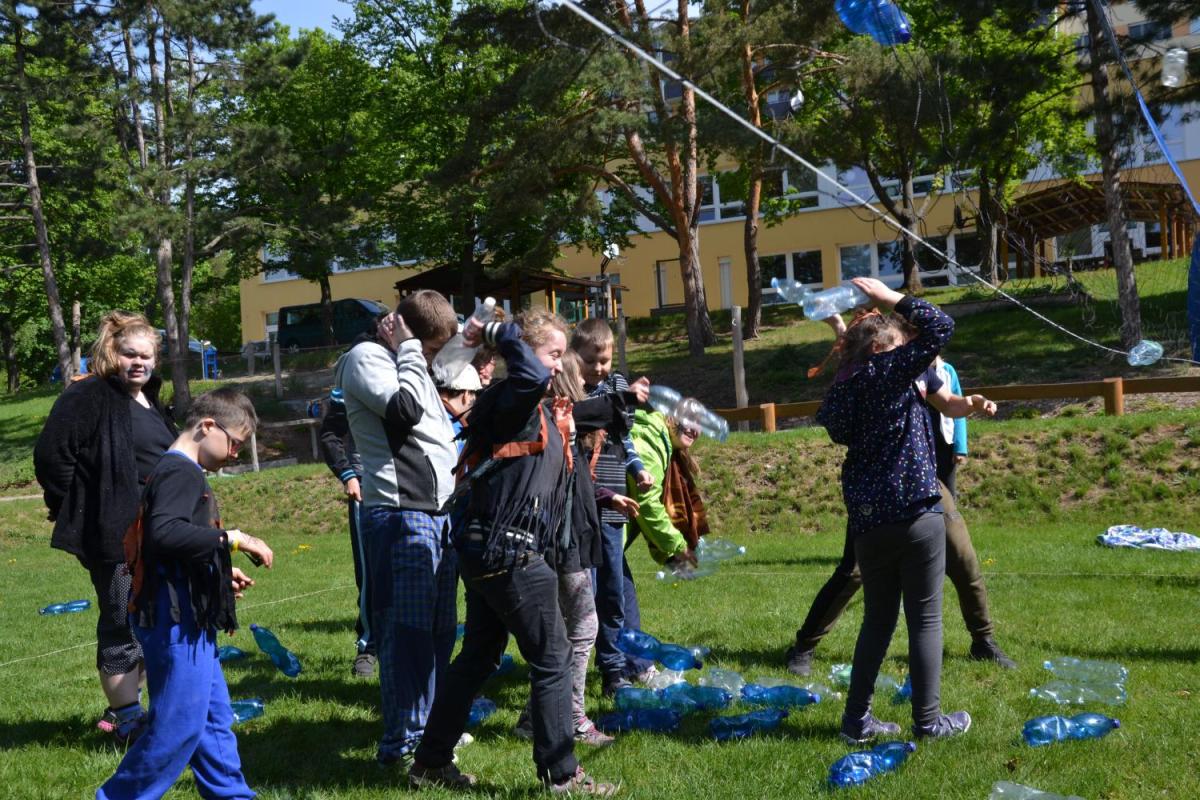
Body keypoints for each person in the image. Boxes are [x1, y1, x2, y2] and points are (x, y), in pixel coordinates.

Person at [410, 309, 616, 795]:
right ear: (525, 352)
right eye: (552, 353)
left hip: (490, 549)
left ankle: (431, 763)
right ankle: (561, 775)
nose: (559, 364)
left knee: (479, 657)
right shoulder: (515, 398)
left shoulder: (528, 405)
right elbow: (527, 374)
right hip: (508, 552)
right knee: (553, 656)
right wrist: (499, 333)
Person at [784, 334, 1014, 679]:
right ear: (875, 347)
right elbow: (836, 423)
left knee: (963, 558)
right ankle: (803, 646)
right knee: (853, 571)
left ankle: (983, 640)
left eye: (904, 341)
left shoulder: (919, 369)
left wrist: (972, 403)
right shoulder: (860, 376)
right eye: (895, 342)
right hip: (875, 488)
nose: (903, 346)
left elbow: (949, 404)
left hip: (924, 482)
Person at [97, 388, 273, 800]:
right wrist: (232, 538)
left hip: (186, 616)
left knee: (212, 722)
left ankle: (232, 795)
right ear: (207, 427)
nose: (235, 454)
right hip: (174, 622)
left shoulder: (177, 470)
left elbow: (170, 547)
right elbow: (164, 533)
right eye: (235, 443)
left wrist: (216, 573)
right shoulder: (180, 472)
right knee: (176, 729)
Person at [814, 276, 970, 743]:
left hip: (868, 522)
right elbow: (941, 326)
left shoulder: (843, 389)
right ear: (883, 350)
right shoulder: (889, 372)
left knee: (877, 622)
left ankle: (856, 722)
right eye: (902, 346)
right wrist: (891, 298)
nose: (910, 353)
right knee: (925, 619)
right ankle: (929, 722)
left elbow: (841, 414)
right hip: (915, 512)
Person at [34, 311, 177, 743]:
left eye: (146, 356)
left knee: (159, 619)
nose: (138, 362)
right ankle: (127, 719)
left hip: (160, 530)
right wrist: (79, 506)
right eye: (130, 354)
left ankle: (125, 707)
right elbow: (52, 457)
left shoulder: (150, 398)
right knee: (122, 622)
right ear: (113, 353)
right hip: (115, 534)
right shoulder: (91, 394)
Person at [334, 289, 460, 766]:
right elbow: (404, 411)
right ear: (405, 330)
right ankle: (402, 744)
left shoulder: (410, 361)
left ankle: (431, 733)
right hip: (401, 514)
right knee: (406, 634)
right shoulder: (366, 358)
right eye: (430, 348)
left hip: (437, 513)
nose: (431, 358)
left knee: (440, 631)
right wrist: (409, 348)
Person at [571, 318, 652, 696]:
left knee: (614, 591)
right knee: (587, 593)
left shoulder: (617, 384)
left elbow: (624, 436)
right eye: (591, 361)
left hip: (613, 508)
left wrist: (637, 469)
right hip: (585, 504)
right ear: (575, 357)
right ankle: (590, 665)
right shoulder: (572, 393)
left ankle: (615, 667)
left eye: (604, 361)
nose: (598, 368)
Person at [626, 399, 710, 572]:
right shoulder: (650, 443)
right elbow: (647, 504)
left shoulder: (664, 444)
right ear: (671, 417)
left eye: (699, 424)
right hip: (601, 536)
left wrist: (669, 556)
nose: (694, 429)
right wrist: (678, 548)